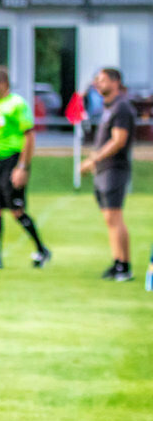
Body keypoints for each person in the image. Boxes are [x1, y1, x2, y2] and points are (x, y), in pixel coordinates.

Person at [0, 65, 51, 269]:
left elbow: (29, 136)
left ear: (3, 83)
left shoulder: (17, 104)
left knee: (16, 210)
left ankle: (41, 249)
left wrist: (22, 167)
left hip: (12, 162)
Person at [79, 67, 136, 281]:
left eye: (102, 80)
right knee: (109, 219)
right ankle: (117, 262)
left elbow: (119, 140)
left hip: (114, 169)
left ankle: (124, 266)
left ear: (115, 82)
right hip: (104, 169)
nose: (97, 84)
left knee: (115, 217)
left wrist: (93, 159)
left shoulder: (121, 107)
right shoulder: (109, 107)